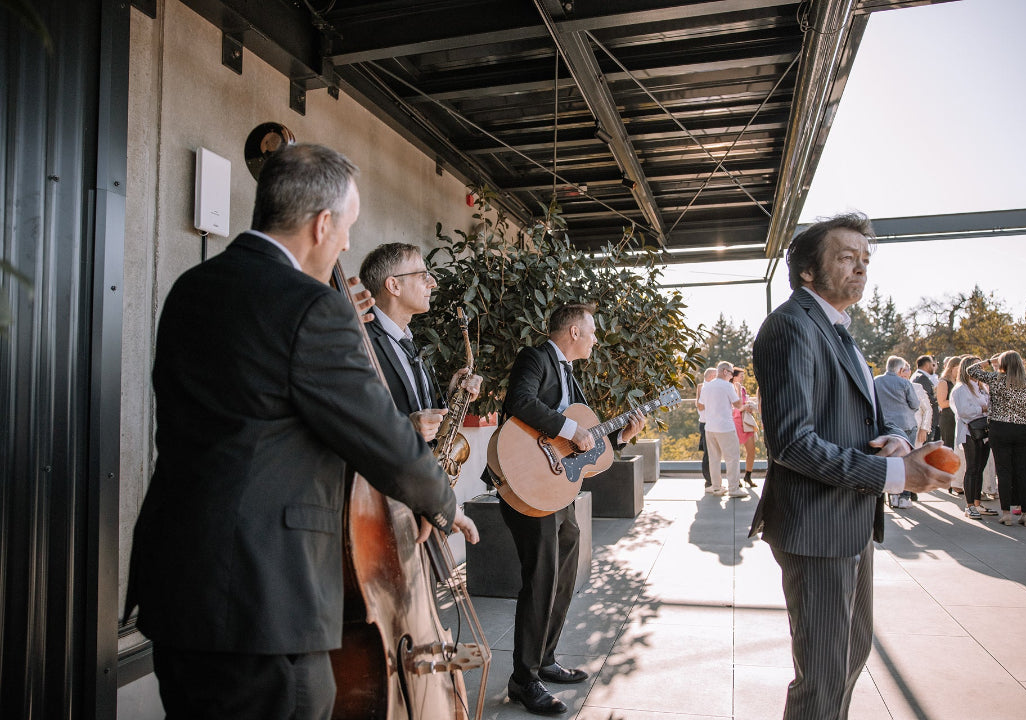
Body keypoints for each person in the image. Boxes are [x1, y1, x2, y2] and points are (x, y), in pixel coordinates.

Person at [124, 143, 478, 720]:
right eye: (346, 230)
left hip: (177, 583)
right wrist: (442, 503)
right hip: (264, 599)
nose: (345, 246)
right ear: (321, 225)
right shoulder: (314, 307)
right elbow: (381, 436)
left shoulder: (192, 289)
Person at [749, 212, 952, 720]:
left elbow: (858, 419)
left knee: (851, 653)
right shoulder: (791, 326)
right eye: (846, 258)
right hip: (816, 525)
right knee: (822, 676)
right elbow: (792, 443)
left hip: (851, 518)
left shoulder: (840, 331)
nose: (860, 269)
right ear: (808, 272)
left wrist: (896, 442)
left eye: (865, 260)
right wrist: (897, 476)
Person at [495, 303, 645, 715]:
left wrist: (622, 436)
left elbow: (584, 443)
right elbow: (519, 401)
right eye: (593, 331)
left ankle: (544, 659)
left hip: (555, 491)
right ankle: (523, 681)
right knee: (541, 578)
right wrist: (569, 429)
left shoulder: (568, 375)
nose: (597, 339)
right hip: (528, 486)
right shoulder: (537, 358)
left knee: (564, 571)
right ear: (574, 332)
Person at [358, 242, 482, 440]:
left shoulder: (406, 341)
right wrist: (405, 427)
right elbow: (347, 421)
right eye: (423, 275)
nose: (432, 282)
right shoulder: (359, 341)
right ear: (394, 285)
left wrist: (453, 395)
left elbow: (419, 414)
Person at [967, 350, 1026, 527]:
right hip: (1025, 429)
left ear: (1002, 364)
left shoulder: (996, 379)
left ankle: (1007, 513)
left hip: (1000, 429)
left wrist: (988, 361)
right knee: (1024, 471)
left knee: (1004, 470)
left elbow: (971, 370)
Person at [951, 355, 996, 520]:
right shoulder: (961, 388)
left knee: (980, 468)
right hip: (970, 432)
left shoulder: (982, 387)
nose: (980, 371)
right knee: (971, 468)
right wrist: (982, 409)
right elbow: (964, 411)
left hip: (984, 432)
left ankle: (977, 502)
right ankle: (969, 505)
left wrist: (984, 408)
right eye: (976, 367)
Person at [874, 356, 920, 509]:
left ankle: (892, 496)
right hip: (905, 424)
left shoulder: (876, 381)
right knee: (907, 460)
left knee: (890, 460)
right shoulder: (905, 383)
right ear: (900, 370)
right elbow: (915, 404)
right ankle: (904, 497)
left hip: (884, 425)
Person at [700, 361, 747, 498]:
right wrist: (737, 389)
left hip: (710, 427)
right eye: (732, 373)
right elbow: (738, 405)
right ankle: (733, 488)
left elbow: (701, 405)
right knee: (732, 458)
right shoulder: (727, 386)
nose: (732, 376)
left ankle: (716, 487)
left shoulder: (706, 387)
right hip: (725, 427)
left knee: (714, 459)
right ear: (725, 371)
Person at [937, 356, 962, 494]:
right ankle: (948, 481)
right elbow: (942, 402)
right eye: (959, 368)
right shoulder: (944, 382)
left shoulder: (959, 382)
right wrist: (958, 401)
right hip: (947, 418)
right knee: (949, 447)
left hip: (958, 418)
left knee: (958, 449)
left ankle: (957, 480)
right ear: (952, 367)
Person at [731, 366, 758, 488]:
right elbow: (734, 407)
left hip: (745, 422)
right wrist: (742, 407)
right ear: (734, 377)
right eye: (740, 376)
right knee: (735, 453)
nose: (742, 379)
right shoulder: (729, 388)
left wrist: (748, 407)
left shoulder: (743, 389)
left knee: (752, 450)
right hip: (735, 422)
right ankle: (735, 478)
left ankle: (748, 475)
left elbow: (742, 404)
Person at [695, 367, 718, 491]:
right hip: (706, 424)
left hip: (708, 423)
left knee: (711, 453)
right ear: (711, 376)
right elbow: (700, 406)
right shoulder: (705, 388)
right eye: (716, 375)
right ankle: (709, 481)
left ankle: (712, 480)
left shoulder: (704, 387)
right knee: (709, 453)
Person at [911, 355, 940, 441]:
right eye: (932, 365)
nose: (933, 367)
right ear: (927, 365)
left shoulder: (918, 376)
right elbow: (928, 399)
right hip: (926, 421)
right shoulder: (921, 378)